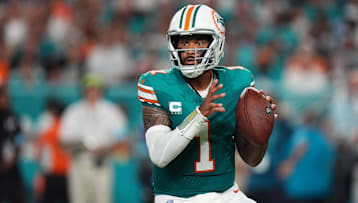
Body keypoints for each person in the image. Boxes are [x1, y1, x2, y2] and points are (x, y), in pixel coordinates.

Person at [137, 4, 278, 203]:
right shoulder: (156, 84)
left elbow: (252, 160)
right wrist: (199, 115)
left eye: (198, 42)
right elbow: (159, 155)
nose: (189, 50)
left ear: (217, 42)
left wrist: (262, 130)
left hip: (226, 194)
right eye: (183, 43)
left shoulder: (238, 81)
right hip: (178, 198)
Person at [59, 73, 128, 203]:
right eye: (89, 88)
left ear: (101, 90)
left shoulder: (112, 111)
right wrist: (79, 145)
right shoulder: (73, 111)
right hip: (78, 163)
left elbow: (122, 141)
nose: (92, 92)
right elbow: (63, 142)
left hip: (101, 164)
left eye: (95, 88)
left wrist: (105, 148)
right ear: (83, 90)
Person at [0, 87, 25, 203]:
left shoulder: (13, 117)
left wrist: (15, 156)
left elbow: (20, 138)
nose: (5, 100)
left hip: (11, 168)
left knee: (17, 196)